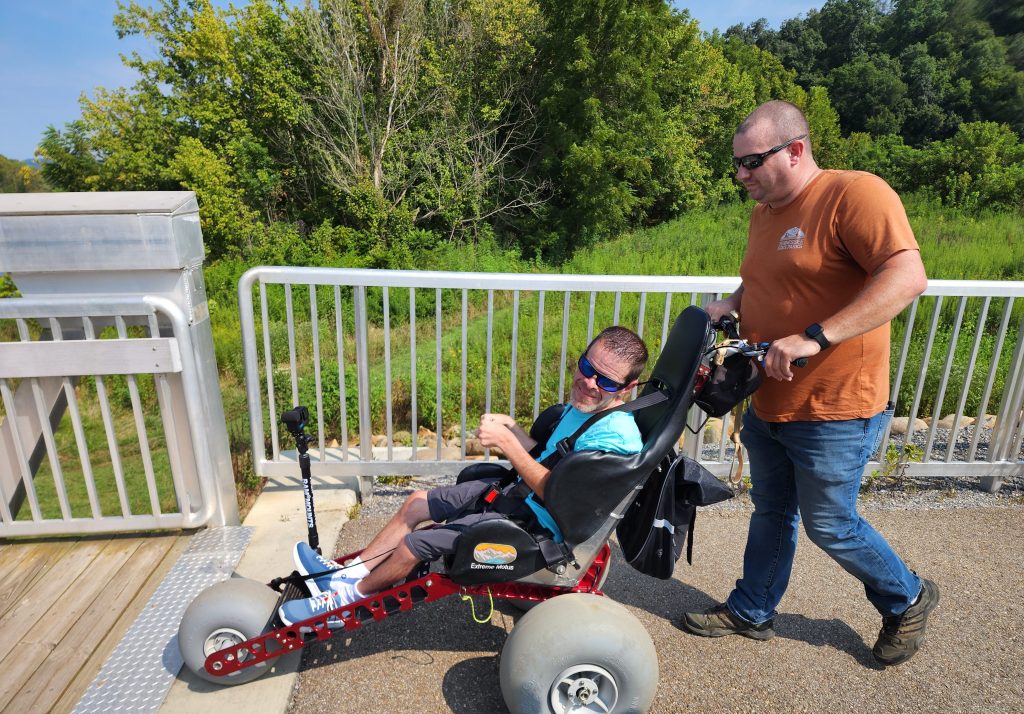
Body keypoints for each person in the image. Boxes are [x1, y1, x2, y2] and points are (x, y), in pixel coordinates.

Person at [681, 100, 938, 667]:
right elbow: (764, 282)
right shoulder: (765, 211)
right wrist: (731, 304)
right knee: (772, 509)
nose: (741, 175)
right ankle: (752, 609)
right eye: (738, 165)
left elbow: (907, 275)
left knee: (832, 524)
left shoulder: (855, 194)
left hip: (836, 404)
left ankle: (908, 596)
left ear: (794, 150)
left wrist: (815, 337)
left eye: (751, 162)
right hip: (770, 396)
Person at [279, 325, 649, 627]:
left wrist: (507, 443)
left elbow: (560, 495)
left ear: (629, 388)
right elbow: (552, 457)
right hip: (523, 498)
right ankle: (346, 576)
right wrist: (517, 431)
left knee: (416, 545)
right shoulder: (587, 407)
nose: (589, 384)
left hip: (540, 526)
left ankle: (347, 602)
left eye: (607, 382)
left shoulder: (614, 437)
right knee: (417, 503)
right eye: (587, 368)